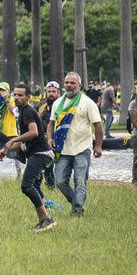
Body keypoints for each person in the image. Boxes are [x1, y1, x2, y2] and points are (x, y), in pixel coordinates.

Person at [0, 83, 56, 232]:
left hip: (41, 154)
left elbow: (34, 132)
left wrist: (13, 140)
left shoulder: (28, 111)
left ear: (28, 97)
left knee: (26, 185)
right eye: (14, 95)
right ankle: (44, 219)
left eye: (20, 95)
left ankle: (46, 219)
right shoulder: (22, 112)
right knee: (34, 186)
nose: (16, 97)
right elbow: (25, 140)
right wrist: (6, 149)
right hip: (38, 154)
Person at [47, 72, 103, 217]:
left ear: (79, 85)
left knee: (80, 181)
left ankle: (77, 209)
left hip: (82, 148)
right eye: (67, 83)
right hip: (63, 149)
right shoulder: (58, 103)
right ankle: (75, 203)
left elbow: (98, 126)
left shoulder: (87, 103)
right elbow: (51, 123)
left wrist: (98, 146)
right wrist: (49, 138)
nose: (69, 85)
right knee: (59, 181)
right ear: (63, 84)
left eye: (73, 83)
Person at [37, 81, 62, 189]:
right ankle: (50, 185)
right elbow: (37, 122)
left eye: (53, 91)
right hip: (46, 138)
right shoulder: (41, 105)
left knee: (62, 163)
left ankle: (62, 184)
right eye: (49, 91)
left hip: (61, 137)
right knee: (48, 164)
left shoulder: (64, 104)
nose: (51, 94)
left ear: (58, 92)